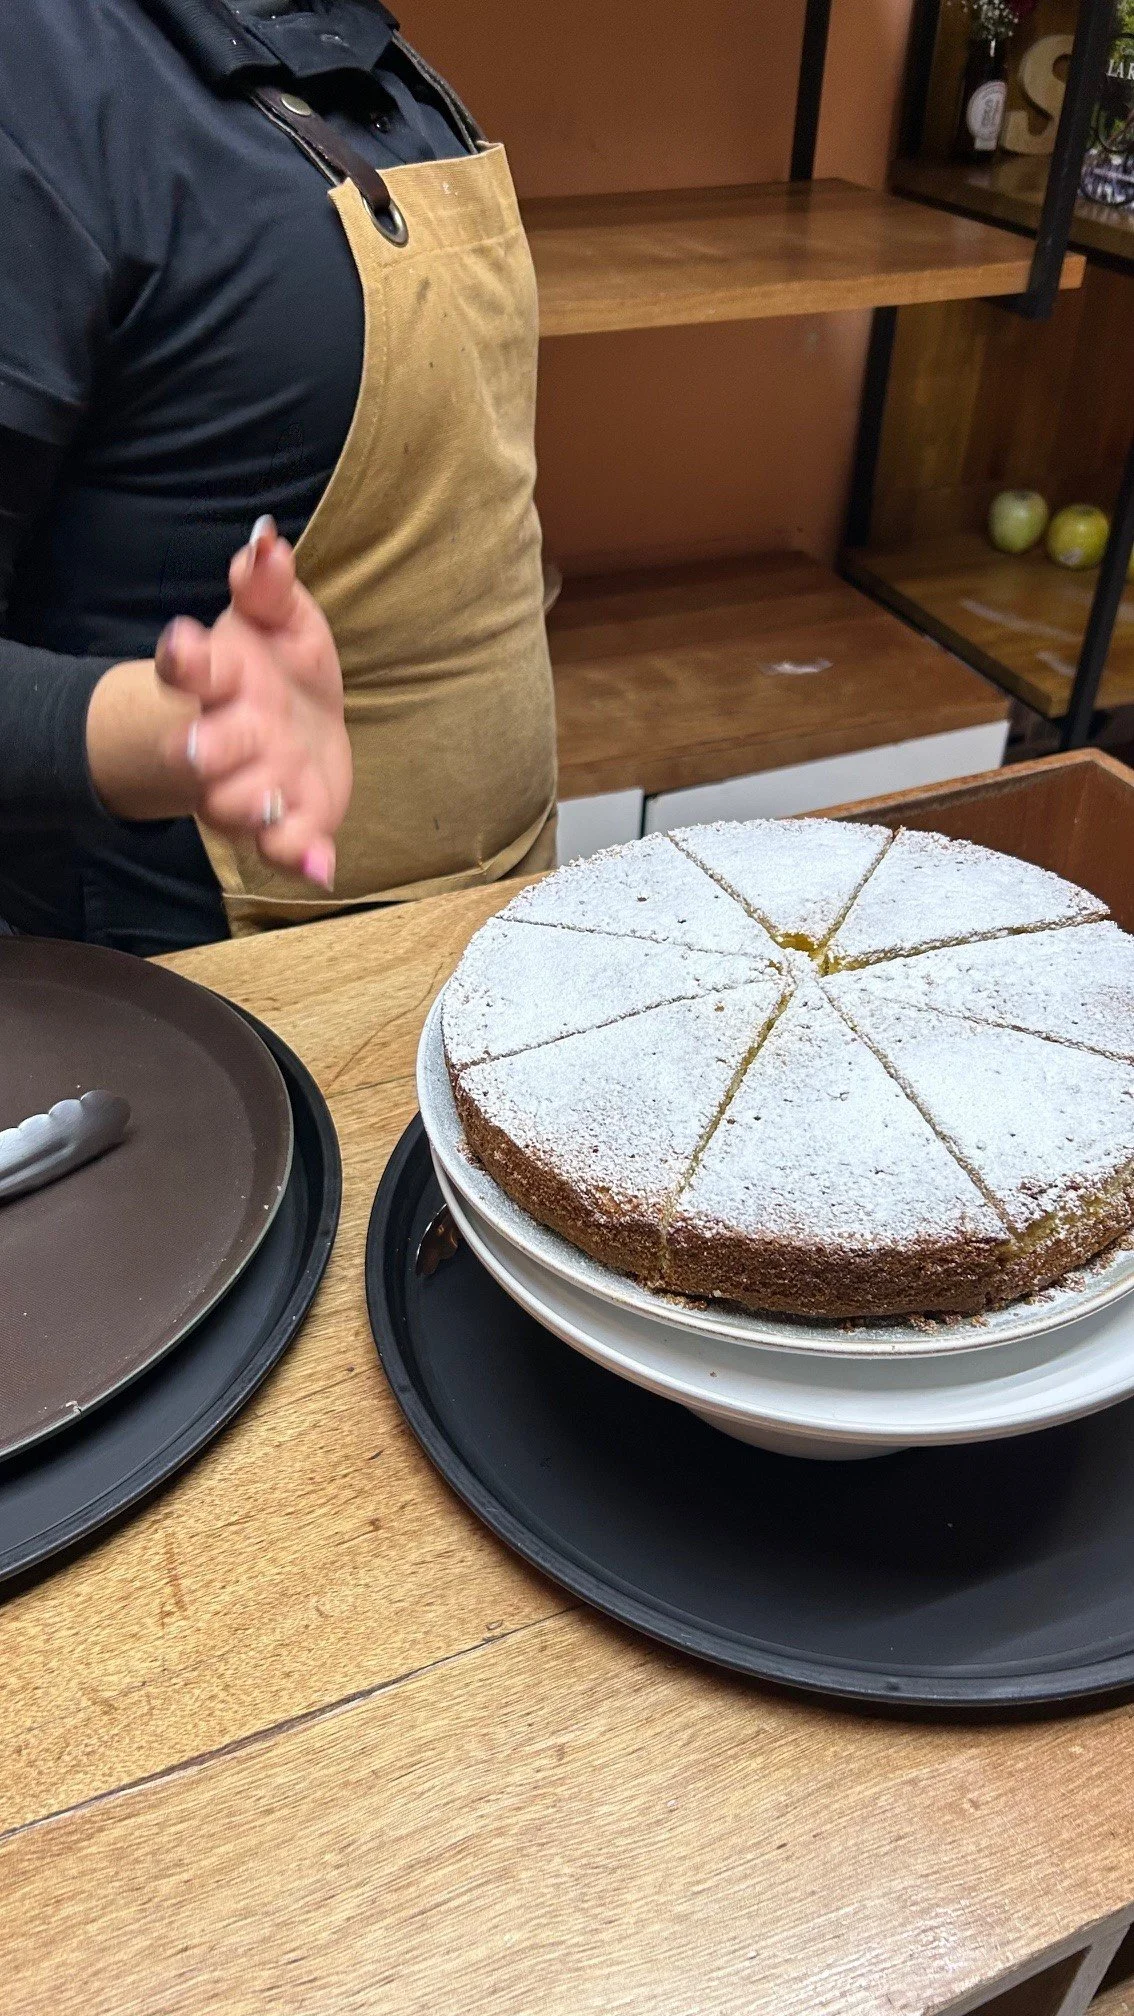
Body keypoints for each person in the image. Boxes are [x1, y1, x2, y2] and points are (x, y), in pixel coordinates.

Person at [0, 0, 558, 954]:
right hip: (220, 1000)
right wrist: (167, 731)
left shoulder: (352, 39)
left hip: (505, 919)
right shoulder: (37, 86)